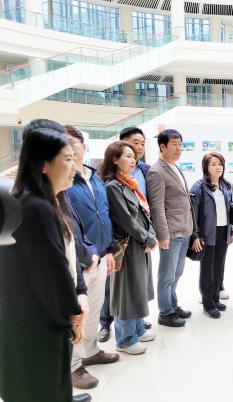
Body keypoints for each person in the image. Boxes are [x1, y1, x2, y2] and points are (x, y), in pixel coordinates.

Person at [0, 128, 91, 402]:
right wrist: (72, 316)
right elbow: (51, 273)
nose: (75, 166)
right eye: (67, 159)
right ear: (43, 165)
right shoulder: (36, 208)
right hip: (39, 324)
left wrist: (79, 296)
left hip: (30, 321)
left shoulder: (37, 201)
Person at [62, 125, 121, 389]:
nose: (67, 147)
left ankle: (91, 350)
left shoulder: (95, 178)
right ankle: (74, 365)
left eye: (72, 142)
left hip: (99, 255)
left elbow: (104, 215)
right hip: (77, 259)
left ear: (84, 147)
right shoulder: (63, 180)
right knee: (78, 313)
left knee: (95, 308)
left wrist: (108, 251)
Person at [101, 141, 158, 355]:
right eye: (127, 156)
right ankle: (125, 339)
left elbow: (143, 212)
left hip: (139, 243)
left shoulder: (129, 183)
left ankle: (137, 329)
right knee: (127, 291)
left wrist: (151, 235)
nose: (133, 160)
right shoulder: (112, 187)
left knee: (139, 288)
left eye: (134, 156)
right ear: (115, 159)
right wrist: (148, 238)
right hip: (127, 245)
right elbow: (125, 220)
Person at [147, 129, 195, 327]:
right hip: (171, 233)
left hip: (184, 230)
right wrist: (163, 234)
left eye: (180, 144)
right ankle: (165, 312)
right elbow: (157, 206)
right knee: (166, 275)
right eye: (174, 144)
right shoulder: (156, 171)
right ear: (162, 147)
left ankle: (173, 305)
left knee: (177, 273)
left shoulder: (174, 167)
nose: (179, 148)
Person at [190, 153, 233, 319]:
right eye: (213, 164)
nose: (218, 167)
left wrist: (231, 231)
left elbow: (229, 211)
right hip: (207, 233)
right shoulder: (198, 187)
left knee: (218, 267)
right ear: (206, 167)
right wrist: (195, 236)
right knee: (207, 269)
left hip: (223, 231)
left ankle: (215, 299)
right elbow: (193, 215)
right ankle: (208, 304)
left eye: (220, 164)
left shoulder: (226, 186)